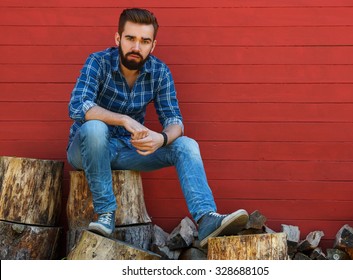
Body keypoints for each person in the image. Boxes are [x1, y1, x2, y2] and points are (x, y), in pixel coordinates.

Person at [67, 8, 248, 247]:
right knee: (94, 129)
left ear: (153, 46)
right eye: (130, 38)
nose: (136, 47)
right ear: (118, 39)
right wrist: (123, 119)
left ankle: (206, 219)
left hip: (128, 150)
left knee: (186, 145)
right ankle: (106, 213)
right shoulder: (98, 62)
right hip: (87, 149)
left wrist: (161, 139)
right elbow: (78, 106)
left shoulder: (159, 72)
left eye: (144, 41)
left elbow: (175, 121)